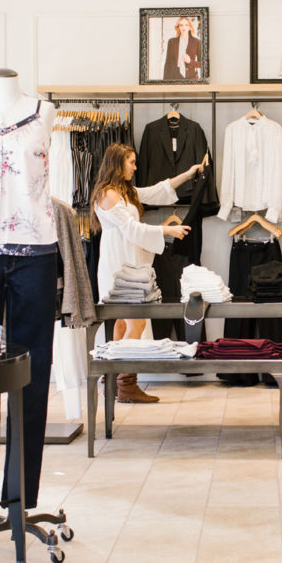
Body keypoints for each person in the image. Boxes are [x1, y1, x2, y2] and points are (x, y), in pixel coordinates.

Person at [91, 143, 200, 402]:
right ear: (118, 164)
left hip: (129, 257)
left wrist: (188, 174)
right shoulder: (108, 194)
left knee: (122, 320)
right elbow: (131, 229)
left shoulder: (125, 192)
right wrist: (167, 230)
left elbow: (157, 190)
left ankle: (113, 377)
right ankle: (126, 384)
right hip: (118, 260)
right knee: (136, 320)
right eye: (131, 162)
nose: (135, 167)